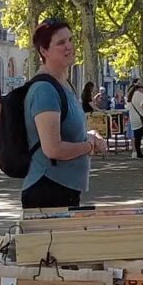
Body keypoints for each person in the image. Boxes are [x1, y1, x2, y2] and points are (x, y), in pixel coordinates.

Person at [21, 19, 99, 210]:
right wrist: (89, 146)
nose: (69, 47)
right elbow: (53, 149)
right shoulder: (44, 90)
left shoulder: (64, 85)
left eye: (71, 40)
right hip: (48, 190)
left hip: (66, 189)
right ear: (44, 51)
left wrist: (88, 137)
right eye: (61, 43)